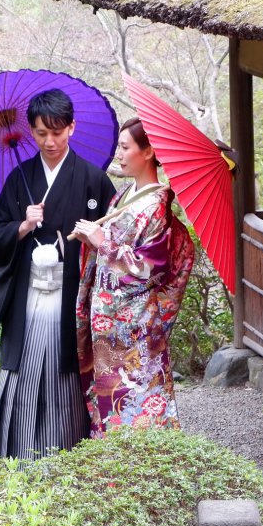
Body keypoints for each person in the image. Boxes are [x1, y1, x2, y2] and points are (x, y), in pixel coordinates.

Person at [0, 88, 116, 461]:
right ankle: (20, 458)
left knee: (66, 375)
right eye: (41, 133)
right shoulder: (19, 178)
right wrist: (23, 226)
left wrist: (93, 239)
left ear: (71, 128)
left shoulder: (93, 180)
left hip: (70, 297)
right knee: (25, 371)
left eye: (57, 132)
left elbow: (110, 241)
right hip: (29, 298)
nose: (50, 141)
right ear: (31, 132)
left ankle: (69, 455)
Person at [72, 117, 195, 437]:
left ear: (149, 152)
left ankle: (143, 478)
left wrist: (104, 244)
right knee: (110, 399)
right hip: (110, 322)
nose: (119, 154)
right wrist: (92, 241)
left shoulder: (155, 205)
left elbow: (150, 270)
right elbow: (111, 248)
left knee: (137, 401)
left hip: (134, 326)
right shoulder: (125, 195)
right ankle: (114, 475)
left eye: (126, 148)